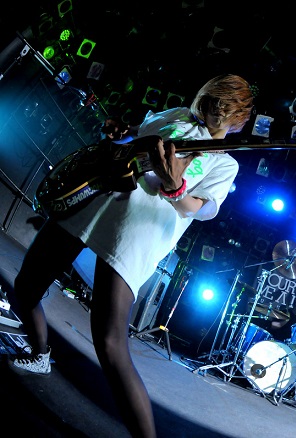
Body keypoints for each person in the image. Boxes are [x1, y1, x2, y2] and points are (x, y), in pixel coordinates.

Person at [7, 74, 254, 438]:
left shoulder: (224, 163)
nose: (212, 110)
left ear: (238, 120)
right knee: (27, 286)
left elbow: (201, 209)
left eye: (222, 108)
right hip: (92, 203)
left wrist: (175, 187)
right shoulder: (175, 115)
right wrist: (121, 132)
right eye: (211, 100)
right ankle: (40, 354)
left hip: (134, 233)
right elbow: (133, 139)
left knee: (110, 343)